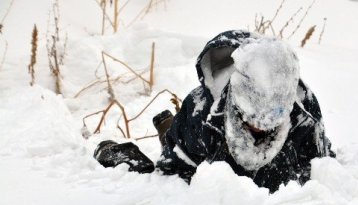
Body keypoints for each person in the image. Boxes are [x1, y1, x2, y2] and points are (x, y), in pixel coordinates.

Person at [94, 30, 335, 193]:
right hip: (213, 178)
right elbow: (172, 178)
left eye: (275, 114)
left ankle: (169, 127)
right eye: (254, 115)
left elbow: (323, 167)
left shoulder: (305, 110)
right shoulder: (202, 112)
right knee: (173, 157)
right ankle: (166, 130)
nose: (262, 125)